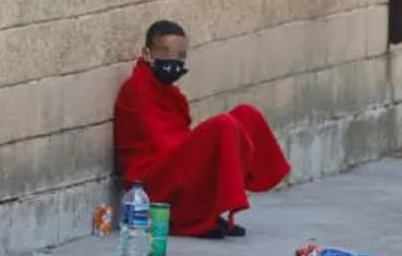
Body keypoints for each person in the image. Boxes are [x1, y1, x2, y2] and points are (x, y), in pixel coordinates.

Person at [113, 20, 291, 238]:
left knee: (245, 114)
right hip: (150, 184)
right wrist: (203, 149)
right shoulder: (136, 90)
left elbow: (179, 138)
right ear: (147, 54)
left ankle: (210, 212)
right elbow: (162, 146)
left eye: (180, 56)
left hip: (174, 163)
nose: (173, 62)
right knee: (222, 126)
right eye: (166, 53)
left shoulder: (168, 91)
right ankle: (192, 218)